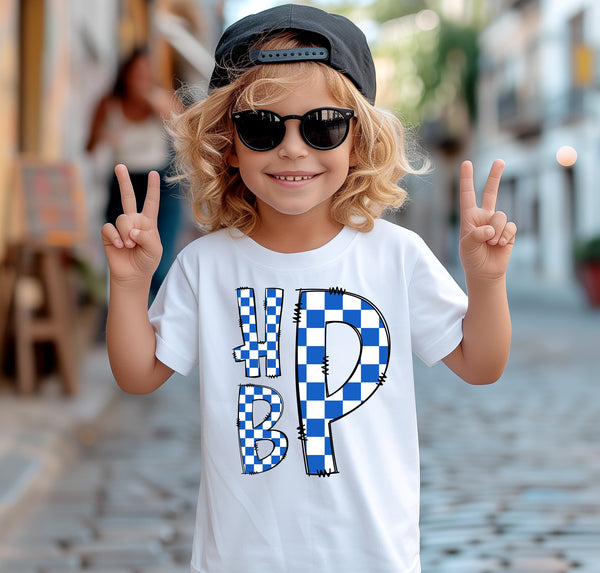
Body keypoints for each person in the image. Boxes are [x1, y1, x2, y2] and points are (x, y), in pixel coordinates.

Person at [101, 5, 517, 573]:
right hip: (241, 559)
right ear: (229, 142)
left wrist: (487, 281)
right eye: (262, 126)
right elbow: (137, 373)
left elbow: (482, 363)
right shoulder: (206, 265)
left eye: (322, 125)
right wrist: (128, 286)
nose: (292, 149)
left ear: (359, 139)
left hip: (372, 557)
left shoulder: (396, 257)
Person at [87, 47, 182, 300]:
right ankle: (130, 318)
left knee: (160, 263)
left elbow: (183, 129)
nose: (140, 79)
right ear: (125, 75)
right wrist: (103, 137)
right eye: (135, 73)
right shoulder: (109, 104)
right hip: (122, 184)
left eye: (146, 74)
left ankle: (161, 319)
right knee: (125, 257)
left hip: (160, 184)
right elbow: (89, 146)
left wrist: (154, 102)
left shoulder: (160, 99)